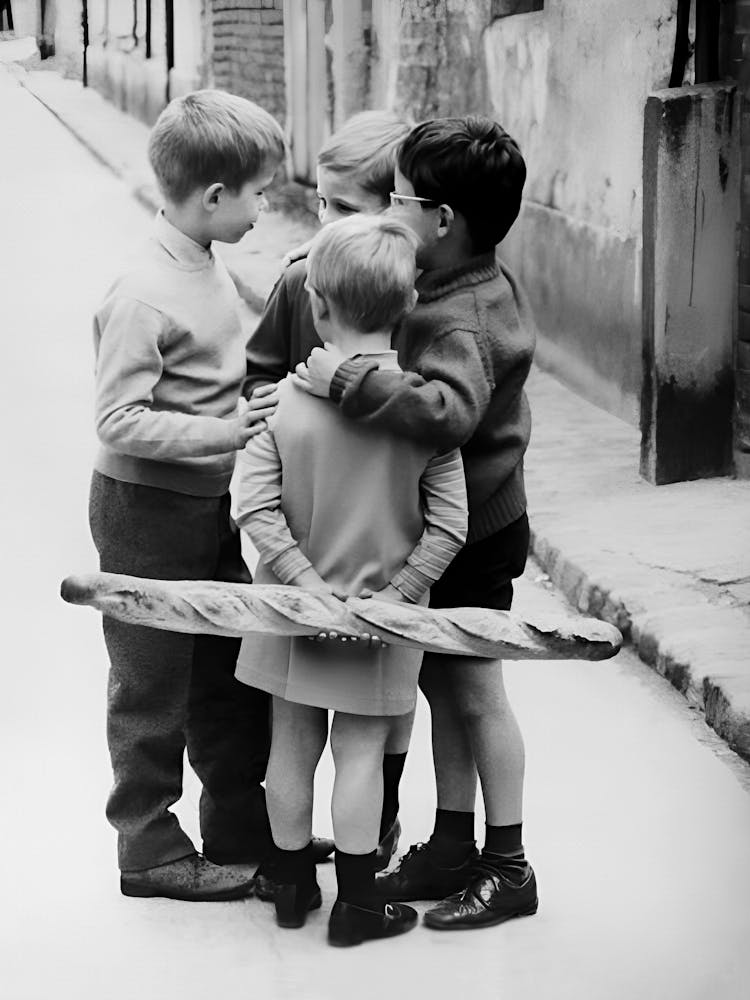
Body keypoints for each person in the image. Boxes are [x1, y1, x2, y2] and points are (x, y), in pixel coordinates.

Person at [296, 116, 539, 930]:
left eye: (396, 199)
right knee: (442, 687)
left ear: (441, 219)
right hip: (460, 524)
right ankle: (453, 842)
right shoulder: (450, 284)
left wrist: (350, 383)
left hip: (473, 535)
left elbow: (451, 412)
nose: (385, 210)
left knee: (475, 694)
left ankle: (508, 864)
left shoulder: (462, 315)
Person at [234, 214, 468, 946]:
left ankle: (290, 883)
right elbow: (450, 525)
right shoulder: (420, 415)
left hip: (289, 611)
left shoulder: (284, 406)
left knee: (292, 745)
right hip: (382, 622)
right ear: (405, 308)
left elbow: (254, 506)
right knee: (362, 751)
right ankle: (360, 904)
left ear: (318, 306)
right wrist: (393, 600)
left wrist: (307, 587)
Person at [89, 89, 289, 900]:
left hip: (203, 505)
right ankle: (148, 848)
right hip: (144, 512)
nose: (267, 205)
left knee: (225, 666)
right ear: (214, 197)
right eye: (259, 192)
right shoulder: (141, 292)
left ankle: (238, 826)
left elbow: (211, 383)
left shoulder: (205, 263)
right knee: (151, 682)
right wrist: (226, 433)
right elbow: (118, 418)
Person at [243, 109, 413, 874]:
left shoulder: (415, 296)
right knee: (341, 738)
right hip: (330, 568)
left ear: (395, 211)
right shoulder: (298, 280)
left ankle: (369, 839)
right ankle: (354, 880)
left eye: (344, 209)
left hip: (349, 567)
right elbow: (257, 379)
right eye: (320, 203)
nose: (324, 226)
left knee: (365, 738)